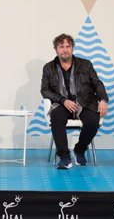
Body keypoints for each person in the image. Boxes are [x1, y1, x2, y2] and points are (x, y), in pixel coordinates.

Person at [41, 33, 108, 169]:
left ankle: (79, 149)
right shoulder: (49, 67)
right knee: (56, 117)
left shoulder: (85, 65)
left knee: (93, 120)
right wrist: (63, 100)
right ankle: (64, 157)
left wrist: (103, 100)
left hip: (84, 102)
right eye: (61, 46)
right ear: (56, 49)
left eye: (68, 46)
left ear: (72, 48)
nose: (65, 50)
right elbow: (45, 90)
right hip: (62, 103)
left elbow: (97, 83)